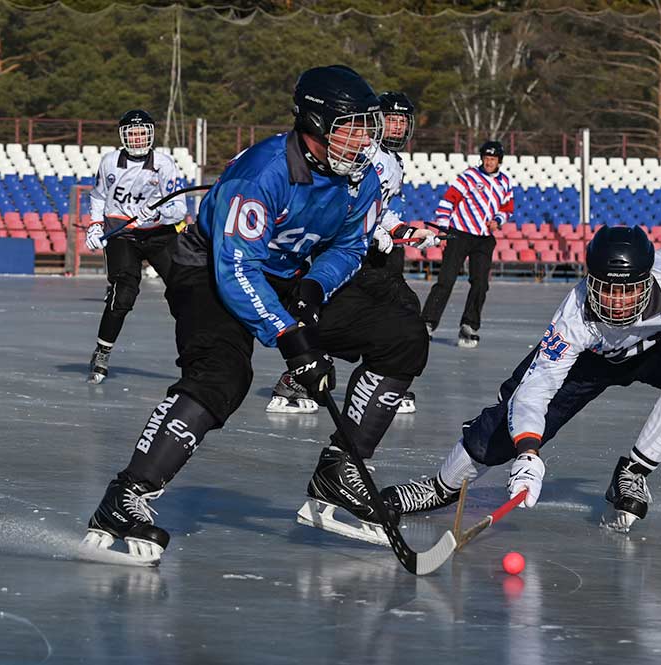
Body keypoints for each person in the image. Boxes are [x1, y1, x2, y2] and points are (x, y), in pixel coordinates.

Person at [80, 65, 427, 563]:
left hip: (285, 273)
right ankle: (127, 496)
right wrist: (293, 339)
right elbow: (235, 268)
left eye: (367, 127)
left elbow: (349, 248)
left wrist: (314, 285)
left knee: (402, 336)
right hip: (208, 271)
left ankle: (339, 471)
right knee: (222, 375)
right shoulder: (263, 172)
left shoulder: (360, 180)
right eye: (351, 127)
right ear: (314, 125)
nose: (363, 140)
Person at [382, 203, 661, 533]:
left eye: (627, 291)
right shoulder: (574, 315)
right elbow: (537, 388)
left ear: (648, 279)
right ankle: (439, 487)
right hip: (591, 357)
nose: (617, 303)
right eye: (605, 289)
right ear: (589, 280)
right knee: (507, 421)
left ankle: (633, 473)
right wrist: (528, 454)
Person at [266, 91, 440, 416]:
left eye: (403, 121)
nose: (398, 127)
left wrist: (404, 232)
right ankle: (299, 375)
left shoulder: (395, 163)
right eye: (392, 120)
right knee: (349, 317)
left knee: (402, 308)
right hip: (345, 249)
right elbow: (346, 202)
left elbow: (381, 208)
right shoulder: (362, 154)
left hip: (369, 249)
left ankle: (384, 377)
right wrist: (372, 231)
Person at [84, 109, 187, 383]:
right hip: (123, 235)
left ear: (151, 134)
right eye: (132, 133)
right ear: (123, 136)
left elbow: (179, 208)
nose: (138, 138)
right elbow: (97, 198)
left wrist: (157, 215)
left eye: (143, 133)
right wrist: (94, 225)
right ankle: (102, 351)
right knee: (124, 293)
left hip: (158, 234)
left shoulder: (164, 165)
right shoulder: (109, 162)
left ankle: (194, 356)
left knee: (186, 290)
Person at [421, 140, 514, 348]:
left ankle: (469, 325)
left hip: (484, 238)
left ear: (499, 161)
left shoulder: (505, 182)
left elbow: (507, 209)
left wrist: (497, 220)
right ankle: (427, 322)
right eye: (486, 158)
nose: (489, 162)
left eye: (493, 159)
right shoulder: (469, 176)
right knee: (446, 280)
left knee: (481, 283)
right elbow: (447, 201)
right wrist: (444, 229)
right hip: (460, 234)